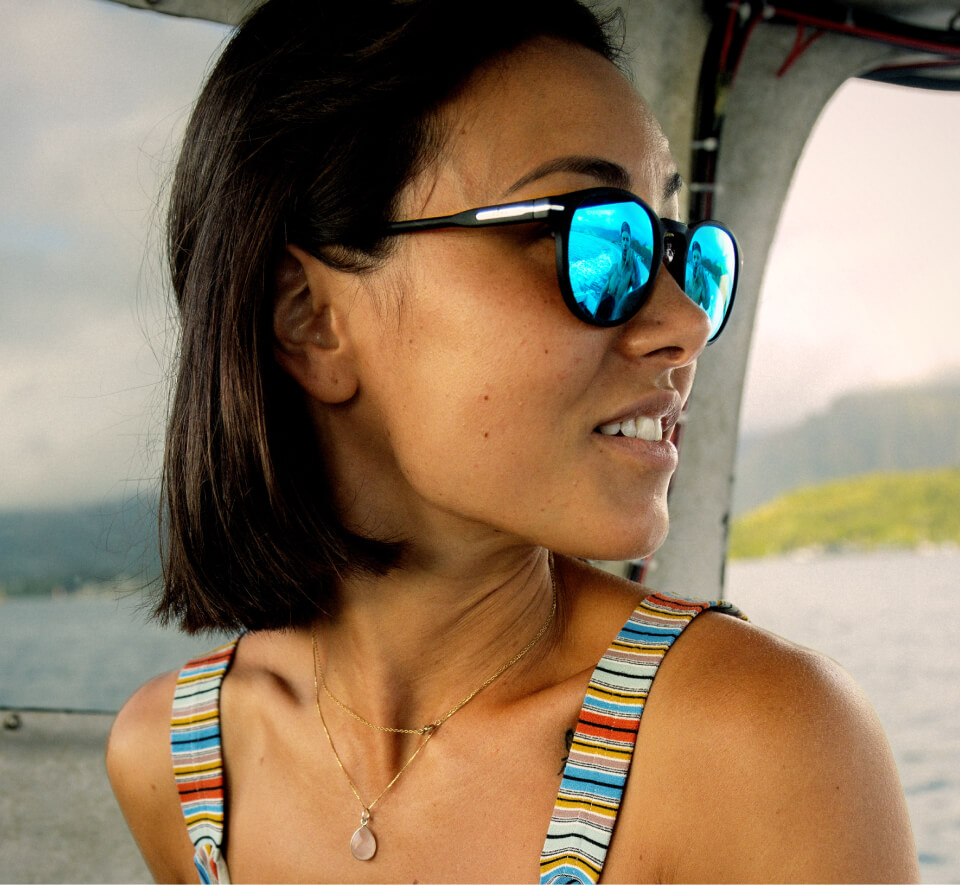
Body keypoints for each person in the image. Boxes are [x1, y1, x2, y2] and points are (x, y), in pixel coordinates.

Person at [106, 1, 919, 881]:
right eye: (592, 238)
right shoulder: (174, 766)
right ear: (308, 320)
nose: (685, 321)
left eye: (689, 256)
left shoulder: (763, 744)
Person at [597, 221, 642, 321]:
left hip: (616, 319)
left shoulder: (631, 272)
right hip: (603, 315)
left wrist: (635, 265)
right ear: (621, 242)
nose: (625, 243)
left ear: (630, 243)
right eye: (623, 239)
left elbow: (637, 291)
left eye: (627, 240)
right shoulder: (613, 268)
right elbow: (604, 291)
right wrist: (595, 311)